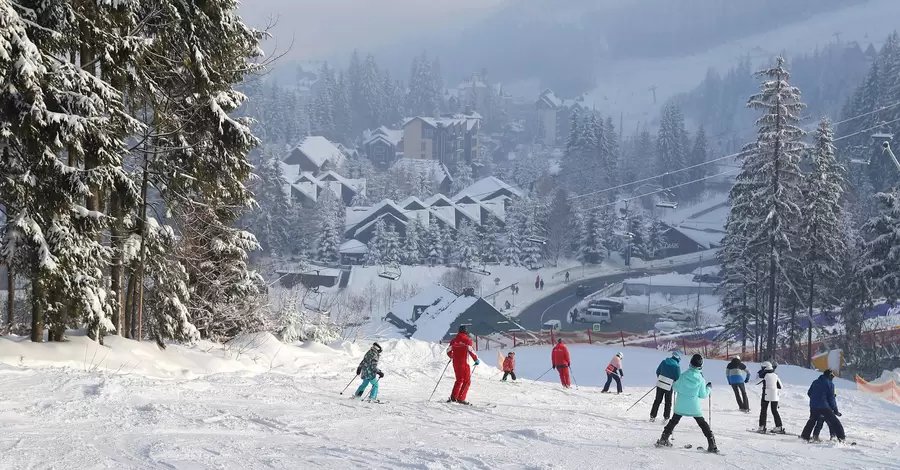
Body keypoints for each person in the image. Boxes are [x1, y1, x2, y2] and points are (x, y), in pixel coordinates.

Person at [655, 354, 717, 453]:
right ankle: (712, 444)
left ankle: (664, 438)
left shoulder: (683, 376)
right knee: (702, 423)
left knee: (673, 421)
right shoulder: (701, 379)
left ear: (690, 363)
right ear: (701, 366)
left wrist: (674, 382)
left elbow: (675, 387)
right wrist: (708, 388)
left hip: (681, 405)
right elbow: (703, 395)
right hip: (694, 406)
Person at [800, 369, 846, 442]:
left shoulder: (815, 382)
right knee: (835, 422)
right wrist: (835, 410)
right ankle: (842, 438)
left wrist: (815, 400)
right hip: (824, 406)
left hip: (813, 406)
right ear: (830, 376)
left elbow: (809, 393)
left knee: (812, 421)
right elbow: (832, 398)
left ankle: (804, 436)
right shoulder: (830, 384)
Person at [447, 325, 480, 405]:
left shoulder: (453, 341)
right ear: (466, 332)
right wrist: (476, 360)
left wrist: (452, 356)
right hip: (464, 363)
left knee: (458, 380)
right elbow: (471, 351)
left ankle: (453, 397)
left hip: (455, 363)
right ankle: (461, 398)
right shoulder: (467, 341)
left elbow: (448, 351)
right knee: (467, 381)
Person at [650, 351, 682, 423]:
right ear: (679, 358)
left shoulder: (664, 362)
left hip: (660, 384)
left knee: (657, 400)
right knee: (668, 402)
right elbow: (678, 377)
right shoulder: (676, 366)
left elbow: (658, 371)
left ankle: (652, 416)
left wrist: (661, 378)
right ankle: (666, 417)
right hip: (669, 386)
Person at [757, 361, 785, 433]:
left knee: (763, 410)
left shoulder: (764, 375)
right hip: (775, 394)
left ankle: (762, 426)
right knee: (774, 410)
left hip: (766, 393)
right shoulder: (775, 375)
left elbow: (757, 379)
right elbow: (780, 386)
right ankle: (779, 426)